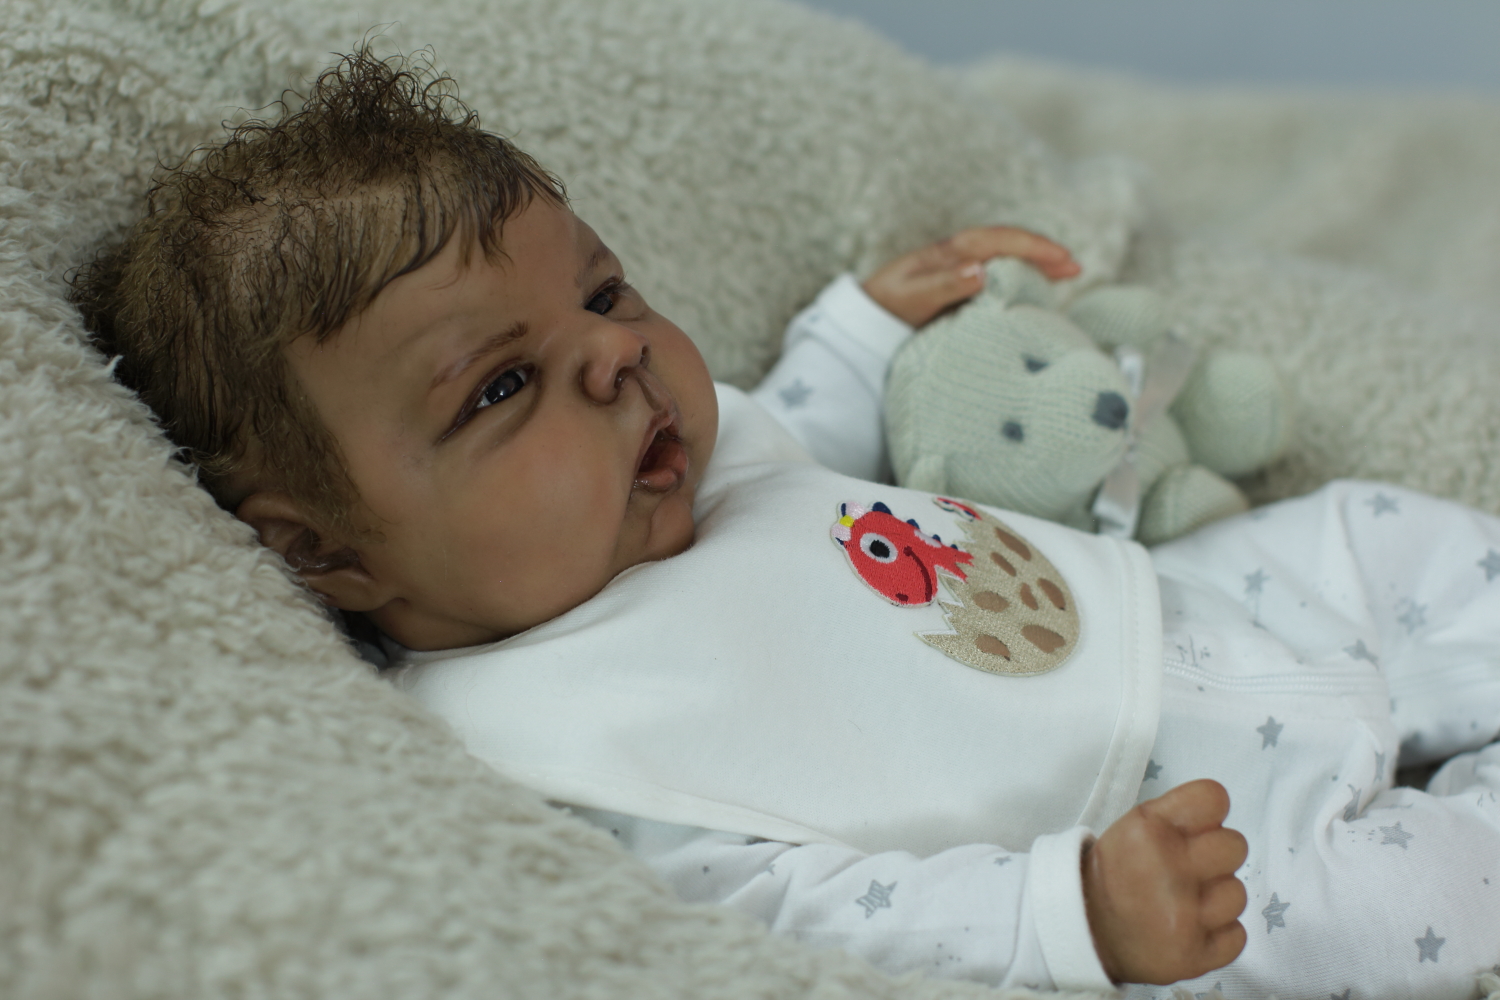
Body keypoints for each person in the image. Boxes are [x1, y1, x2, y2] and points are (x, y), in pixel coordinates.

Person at [71, 50, 1500, 999]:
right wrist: (1073, 914)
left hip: (1183, 598)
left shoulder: (681, 464)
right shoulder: (560, 743)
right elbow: (810, 912)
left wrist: (866, 326)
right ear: (321, 549)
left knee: (1373, 535)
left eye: (606, 294)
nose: (614, 355)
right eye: (501, 386)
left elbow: (792, 429)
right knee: (1391, 912)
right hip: (1175, 834)